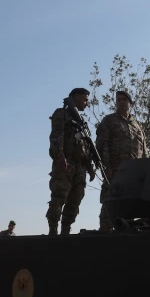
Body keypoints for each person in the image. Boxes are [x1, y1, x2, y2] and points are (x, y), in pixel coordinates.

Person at [95, 90, 148, 232]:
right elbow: (102, 144)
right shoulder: (109, 121)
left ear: (130, 103)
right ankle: (105, 232)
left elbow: (143, 149)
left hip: (134, 173)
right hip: (115, 170)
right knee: (110, 203)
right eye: (118, 100)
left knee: (130, 204)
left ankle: (126, 233)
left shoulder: (137, 125)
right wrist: (106, 166)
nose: (121, 102)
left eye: (124, 99)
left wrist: (145, 171)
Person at [46, 87, 95, 235]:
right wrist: (60, 156)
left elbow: (86, 145)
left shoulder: (81, 121)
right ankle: (53, 231)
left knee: (75, 200)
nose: (86, 103)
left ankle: (65, 231)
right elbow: (56, 136)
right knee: (59, 197)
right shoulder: (61, 114)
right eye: (85, 100)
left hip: (80, 167)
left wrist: (90, 166)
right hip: (66, 163)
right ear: (77, 98)